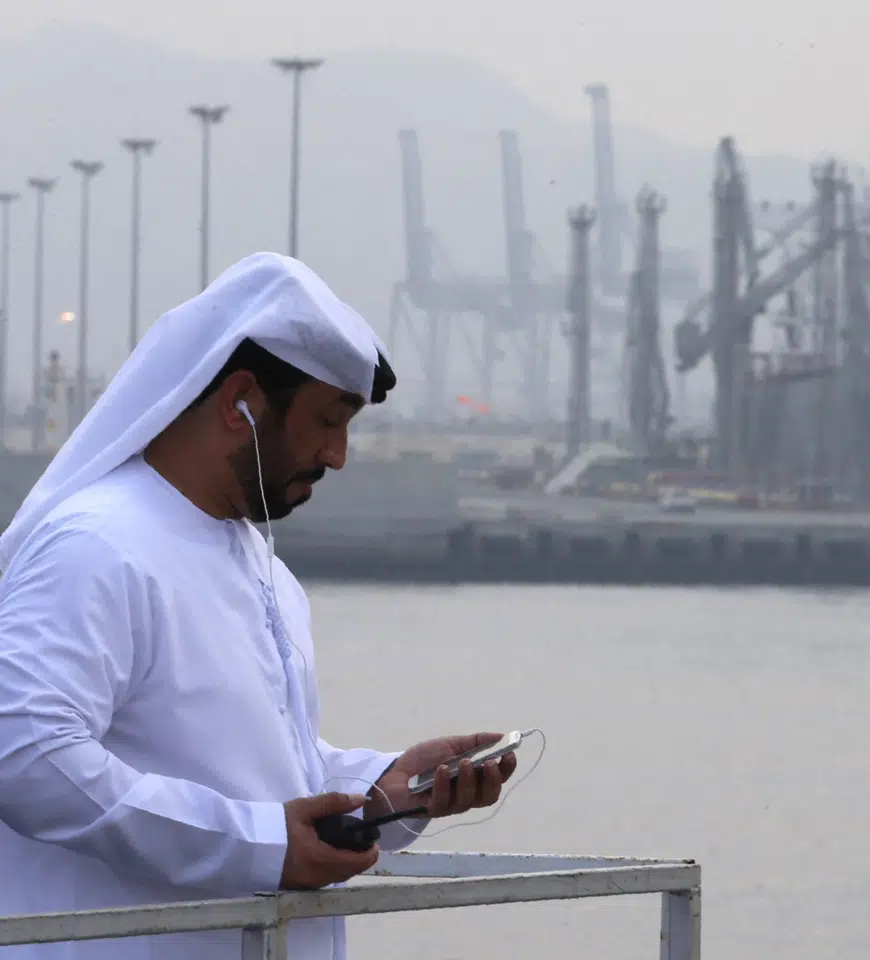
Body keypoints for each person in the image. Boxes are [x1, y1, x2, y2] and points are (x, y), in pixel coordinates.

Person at [0, 253, 518, 960]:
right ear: (240, 401)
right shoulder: (97, 546)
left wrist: (383, 788)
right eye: (327, 421)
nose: (338, 455)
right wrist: (258, 845)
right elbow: (25, 754)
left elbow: (256, 770)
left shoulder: (260, 565)